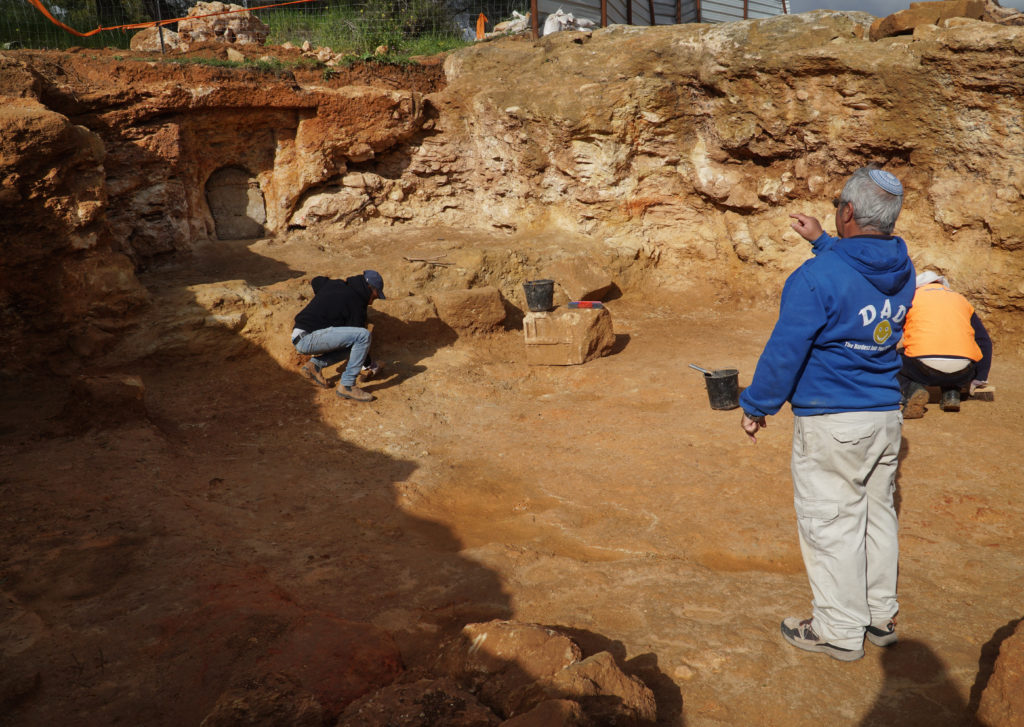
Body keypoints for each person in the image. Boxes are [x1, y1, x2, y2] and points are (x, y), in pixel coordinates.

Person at [739, 167, 916, 662]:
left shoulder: (815, 279)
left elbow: (785, 350)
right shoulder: (903, 270)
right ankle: (879, 614)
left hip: (833, 422)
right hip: (885, 416)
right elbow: (857, 277)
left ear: (848, 213)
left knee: (832, 521)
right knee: (877, 515)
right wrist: (821, 241)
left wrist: (756, 406)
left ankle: (838, 629)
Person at [899, 271, 992, 418]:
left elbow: (893, 333)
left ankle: (912, 390)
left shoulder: (911, 299)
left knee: (897, 358)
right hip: (962, 372)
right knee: (955, 352)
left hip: (923, 369)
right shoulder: (961, 300)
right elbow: (984, 341)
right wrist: (980, 377)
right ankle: (952, 393)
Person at [291, 270, 386, 402]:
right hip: (308, 339)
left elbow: (316, 281)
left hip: (299, 334)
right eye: (374, 297)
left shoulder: (336, 284)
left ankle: (315, 366)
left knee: (352, 346)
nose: (371, 303)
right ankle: (347, 386)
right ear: (369, 289)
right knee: (363, 335)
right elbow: (360, 338)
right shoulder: (356, 304)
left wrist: (327, 302)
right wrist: (371, 366)